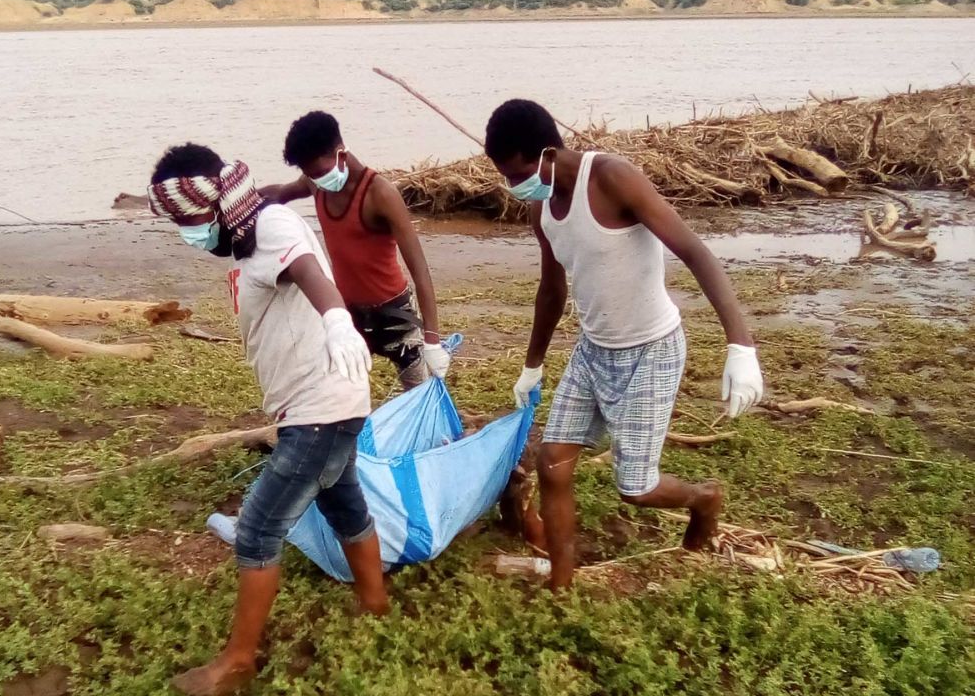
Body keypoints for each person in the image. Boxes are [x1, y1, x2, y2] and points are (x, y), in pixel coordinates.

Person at [484, 99, 764, 591]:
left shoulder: (613, 178)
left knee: (637, 489)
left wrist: (740, 345)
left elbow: (694, 250)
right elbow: (551, 290)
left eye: (520, 172)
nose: (515, 185)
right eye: (506, 177)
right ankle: (562, 587)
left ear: (548, 153)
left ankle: (704, 499)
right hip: (593, 352)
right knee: (552, 465)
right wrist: (532, 367)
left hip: (651, 349)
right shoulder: (541, 209)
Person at [148, 143, 389, 696]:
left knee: (258, 530)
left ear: (213, 205)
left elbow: (310, 273)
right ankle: (376, 608)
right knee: (343, 501)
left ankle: (237, 663)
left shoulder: (272, 228)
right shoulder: (250, 235)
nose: (188, 235)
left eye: (188, 222)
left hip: (320, 408)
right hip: (322, 404)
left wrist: (336, 320)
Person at [260, 110, 449, 388]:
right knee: (338, 389)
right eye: (309, 174)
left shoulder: (380, 194)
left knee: (420, 391)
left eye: (321, 172)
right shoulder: (316, 181)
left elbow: (420, 270)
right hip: (346, 311)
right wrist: (239, 201)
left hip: (393, 313)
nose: (317, 180)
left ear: (340, 154)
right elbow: (279, 194)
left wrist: (432, 341)